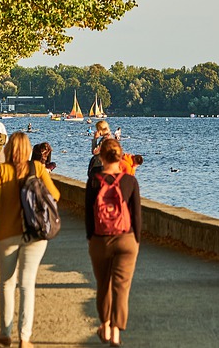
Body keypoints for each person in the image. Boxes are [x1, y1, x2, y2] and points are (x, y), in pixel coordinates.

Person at [0, 132, 60, 348]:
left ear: (9, 148)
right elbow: (56, 196)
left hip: (6, 233)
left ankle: (5, 333)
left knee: (7, 282)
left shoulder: (1, 170)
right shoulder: (38, 169)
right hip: (34, 234)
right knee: (27, 284)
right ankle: (25, 338)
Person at [85, 138, 141, 347]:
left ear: (101, 156)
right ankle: (116, 334)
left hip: (100, 239)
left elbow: (89, 214)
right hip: (126, 239)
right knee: (121, 288)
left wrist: (91, 238)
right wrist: (136, 240)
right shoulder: (130, 181)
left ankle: (106, 326)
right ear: (120, 156)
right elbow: (136, 215)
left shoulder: (94, 179)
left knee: (103, 286)